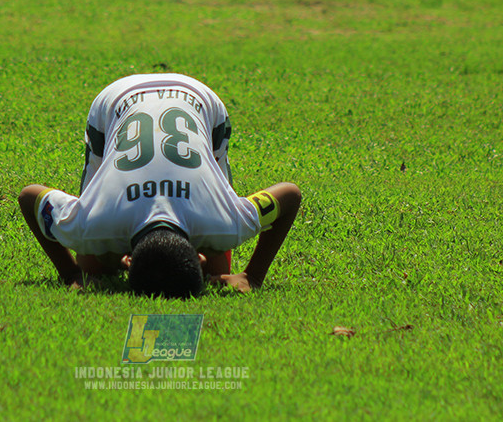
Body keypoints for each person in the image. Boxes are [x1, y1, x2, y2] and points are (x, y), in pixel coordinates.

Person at [18, 73, 302, 298]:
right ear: (199, 257)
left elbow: (29, 194)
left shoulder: (225, 223)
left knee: (93, 263)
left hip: (188, 98)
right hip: (129, 100)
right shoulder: (90, 225)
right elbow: (291, 192)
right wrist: (251, 277)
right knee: (93, 264)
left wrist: (72, 275)